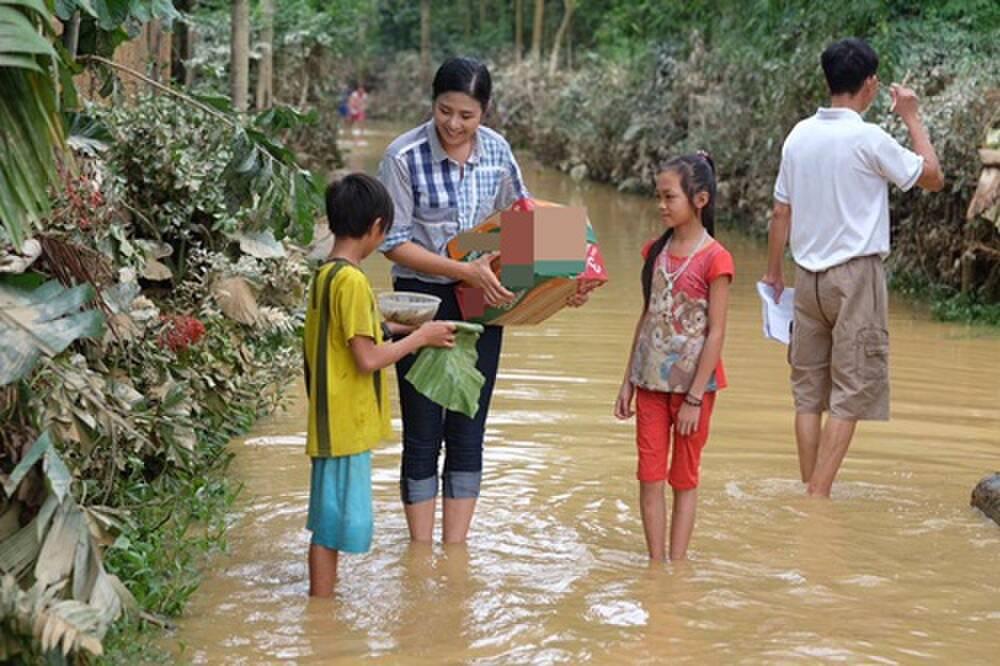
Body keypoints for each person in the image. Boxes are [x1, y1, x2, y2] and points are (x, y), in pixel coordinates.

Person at [377, 57, 590, 545]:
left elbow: (527, 223)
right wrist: (461, 270)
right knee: (423, 430)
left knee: (469, 427)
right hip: (420, 302)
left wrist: (571, 279)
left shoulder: (497, 152)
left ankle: (454, 554)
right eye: (444, 111)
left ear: (485, 113)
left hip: (483, 302)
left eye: (466, 116)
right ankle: (419, 552)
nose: (453, 124)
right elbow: (394, 241)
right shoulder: (402, 156)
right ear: (432, 103)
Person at [761, 38, 944, 498]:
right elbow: (933, 178)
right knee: (850, 390)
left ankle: (810, 487)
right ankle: (817, 497)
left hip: (807, 279)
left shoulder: (798, 136)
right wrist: (911, 116)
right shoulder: (869, 138)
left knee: (807, 392)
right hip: (856, 278)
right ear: (870, 84)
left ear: (827, 80)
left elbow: (780, 212)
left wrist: (774, 273)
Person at [303, 173, 455, 597]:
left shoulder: (327, 275)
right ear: (376, 228)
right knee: (332, 527)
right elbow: (366, 358)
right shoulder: (352, 282)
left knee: (325, 520)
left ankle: (322, 605)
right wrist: (419, 338)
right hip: (344, 421)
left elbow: (350, 333)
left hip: (328, 416)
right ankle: (322, 607)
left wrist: (392, 326)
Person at [615, 153, 734, 562]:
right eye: (658, 197)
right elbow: (647, 316)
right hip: (649, 384)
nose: (661, 205)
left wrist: (696, 398)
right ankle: (656, 567)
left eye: (669, 197)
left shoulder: (716, 258)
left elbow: (716, 331)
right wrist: (627, 379)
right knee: (649, 476)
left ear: (699, 199)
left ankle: (677, 566)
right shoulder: (655, 252)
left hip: (692, 392)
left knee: (683, 478)